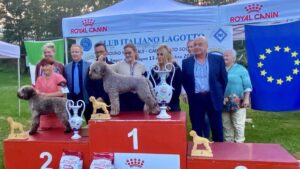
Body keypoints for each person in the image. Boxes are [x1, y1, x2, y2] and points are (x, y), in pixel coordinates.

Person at [182, 36, 227, 142]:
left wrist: (219, 94)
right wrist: (190, 94)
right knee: (196, 126)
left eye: (200, 44)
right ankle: (198, 152)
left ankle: (219, 150)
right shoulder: (186, 62)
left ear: (206, 46)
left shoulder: (217, 59)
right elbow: (185, 81)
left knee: (217, 126)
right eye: (195, 45)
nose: (197, 47)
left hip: (213, 97)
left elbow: (223, 79)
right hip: (196, 98)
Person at [222, 49, 252, 143]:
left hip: (238, 101)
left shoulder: (241, 69)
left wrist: (247, 99)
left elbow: (247, 86)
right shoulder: (220, 68)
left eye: (227, 56)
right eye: (224, 56)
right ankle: (228, 144)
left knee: (238, 124)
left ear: (234, 58)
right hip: (223, 101)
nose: (225, 57)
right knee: (226, 125)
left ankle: (240, 145)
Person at [111, 43, 146, 112]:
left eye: (129, 53)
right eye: (125, 53)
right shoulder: (118, 65)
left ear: (135, 52)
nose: (127, 55)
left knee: (138, 121)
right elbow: (108, 68)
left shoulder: (142, 66)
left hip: (138, 99)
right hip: (123, 99)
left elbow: (145, 84)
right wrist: (101, 62)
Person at [35, 57, 67, 129]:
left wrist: (46, 95)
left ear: (52, 66)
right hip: (44, 119)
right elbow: (36, 92)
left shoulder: (60, 77)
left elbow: (63, 92)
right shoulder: (39, 79)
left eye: (47, 65)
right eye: (43, 66)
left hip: (58, 117)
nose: (45, 68)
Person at [149, 44, 182, 111]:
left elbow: (177, 90)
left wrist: (166, 104)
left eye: (161, 54)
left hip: (172, 105)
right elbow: (150, 88)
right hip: (156, 106)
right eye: (157, 54)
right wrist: (156, 104)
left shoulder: (175, 69)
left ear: (167, 55)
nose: (159, 56)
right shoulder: (154, 70)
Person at [64, 44, 92, 122]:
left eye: (77, 52)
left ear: (81, 53)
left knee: (90, 122)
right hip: (72, 99)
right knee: (73, 122)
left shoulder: (89, 65)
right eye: (72, 52)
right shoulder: (66, 67)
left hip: (86, 98)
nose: (74, 54)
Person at [89, 42, 113, 106]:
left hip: (110, 102)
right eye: (97, 52)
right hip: (96, 102)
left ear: (106, 52)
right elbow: (89, 85)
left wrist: (103, 97)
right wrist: (95, 98)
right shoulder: (91, 67)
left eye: (101, 52)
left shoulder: (113, 66)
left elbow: (114, 85)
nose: (99, 54)